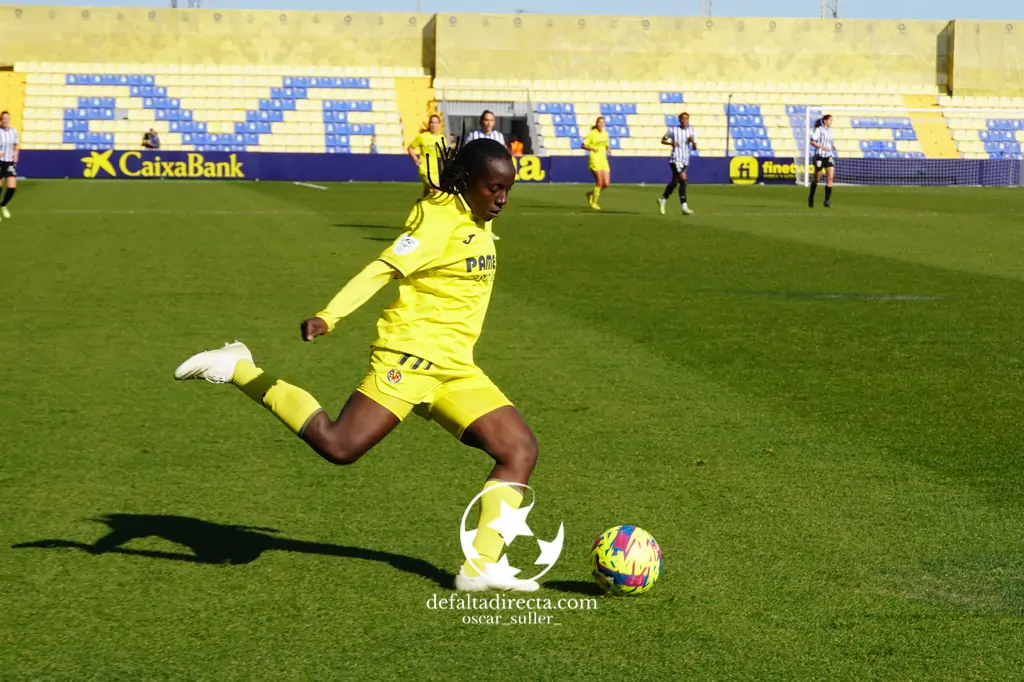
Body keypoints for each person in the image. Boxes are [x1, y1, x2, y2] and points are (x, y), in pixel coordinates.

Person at [173, 139, 540, 592]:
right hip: (409, 358)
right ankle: (240, 368)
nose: (501, 199)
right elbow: (381, 269)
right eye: (493, 188)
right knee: (339, 446)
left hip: (456, 368)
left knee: (519, 450)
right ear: (467, 183)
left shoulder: (477, 217)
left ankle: (480, 568)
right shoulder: (439, 222)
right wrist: (329, 315)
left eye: (507, 189)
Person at [658, 112, 696, 216]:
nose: (684, 120)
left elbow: (695, 148)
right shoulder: (673, 130)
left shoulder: (691, 130)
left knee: (675, 182)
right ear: (679, 120)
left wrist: (693, 142)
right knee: (683, 179)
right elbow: (662, 140)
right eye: (682, 119)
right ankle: (684, 207)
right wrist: (671, 143)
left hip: (685, 160)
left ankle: (663, 199)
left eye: (686, 118)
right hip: (675, 159)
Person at [407, 114, 445, 197]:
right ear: (429, 124)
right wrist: (416, 159)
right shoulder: (422, 137)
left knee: (429, 193)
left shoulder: (442, 139)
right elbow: (410, 148)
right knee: (438, 191)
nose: (434, 125)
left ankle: (421, 203)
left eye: (436, 123)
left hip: (437, 171)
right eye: (432, 122)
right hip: (425, 169)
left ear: (439, 125)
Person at [582, 117, 610, 210]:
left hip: (603, 159)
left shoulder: (606, 134)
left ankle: (591, 194)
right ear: (596, 123)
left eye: (602, 122)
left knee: (606, 184)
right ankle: (593, 202)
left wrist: (608, 149)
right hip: (595, 159)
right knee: (600, 181)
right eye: (599, 122)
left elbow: (606, 145)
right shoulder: (592, 134)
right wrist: (592, 148)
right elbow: (583, 145)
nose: (601, 124)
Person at [808, 114, 837, 208]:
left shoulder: (830, 131)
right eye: (830, 120)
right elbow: (812, 141)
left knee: (830, 178)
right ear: (825, 120)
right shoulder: (819, 130)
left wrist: (833, 146)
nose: (831, 122)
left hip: (829, 156)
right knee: (817, 178)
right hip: (820, 156)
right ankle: (811, 196)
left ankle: (826, 201)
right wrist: (822, 147)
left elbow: (830, 141)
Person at [0, 111, 19, 221]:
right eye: (4, 118)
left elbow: (16, 145)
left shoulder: (14, 131)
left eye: (7, 118)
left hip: (9, 162)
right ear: (1, 120)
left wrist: (16, 154)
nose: (5, 120)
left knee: (12, 187)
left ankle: (3, 205)